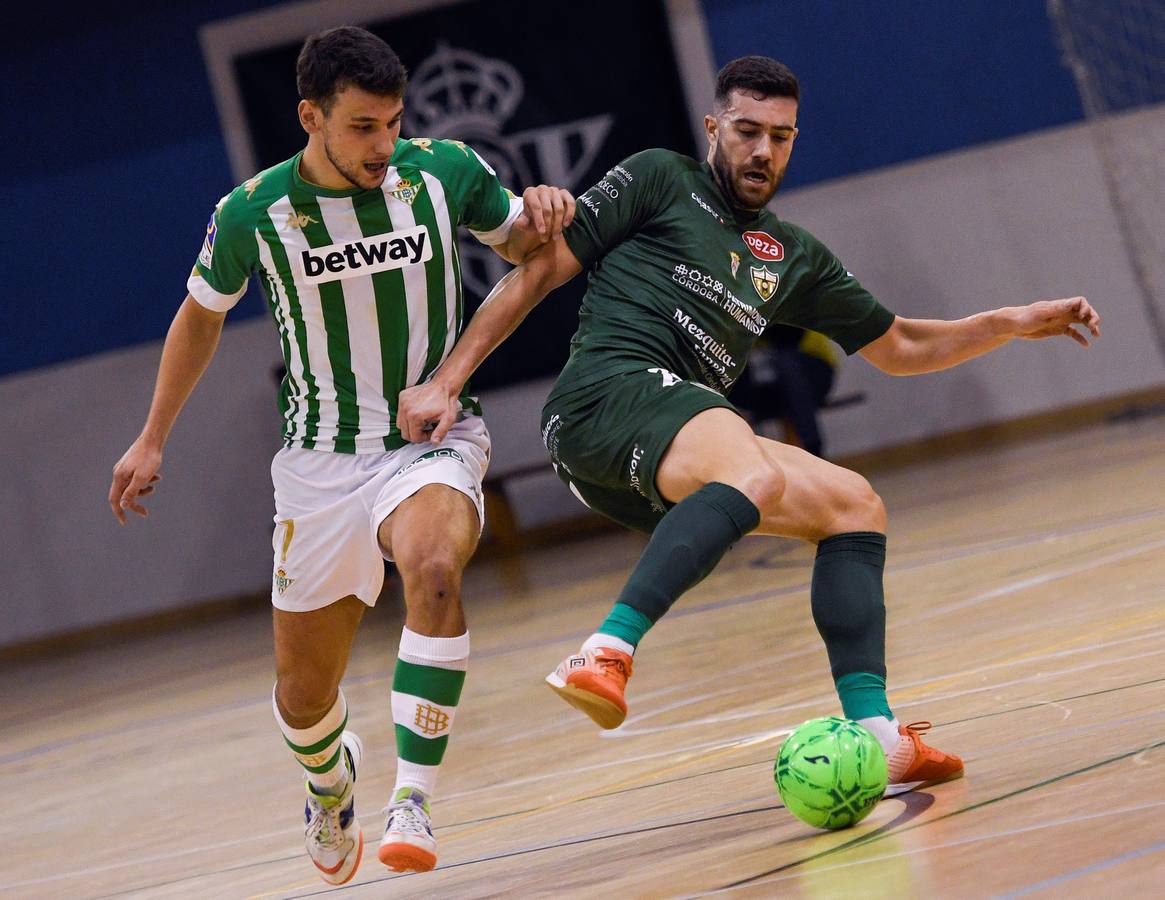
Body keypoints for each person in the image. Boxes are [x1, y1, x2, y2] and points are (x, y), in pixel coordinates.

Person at [395, 56, 1100, 799]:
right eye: (747, 131)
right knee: (751, 469)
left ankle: (879, 737)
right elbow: (536, 271)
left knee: (853, 503)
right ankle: (603, 654)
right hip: (602, 398)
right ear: (713, 129)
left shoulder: (792, 256)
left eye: (780, 136)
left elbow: (900, 347)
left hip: (670, 444)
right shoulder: (660, 177)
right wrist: (447, 380)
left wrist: (1004, 322)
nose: (763, 150)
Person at [107, 26, 574, 883]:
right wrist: (151, 436)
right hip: (318, 466)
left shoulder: (444, 172)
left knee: (432, 567)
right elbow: (201, 317)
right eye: (362, 126)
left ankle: (414, 802)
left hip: (428, 443)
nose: (383, 145)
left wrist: (539, 210)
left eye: (393, 122)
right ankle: (331, 785)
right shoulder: (253, 212)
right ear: (310, 117)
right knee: (302, 696)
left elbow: (522, 245)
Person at [730, 324, 838, 457]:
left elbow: (787, 336)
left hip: (811, 369)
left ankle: (812, 450)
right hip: (769, 379)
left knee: (786, 361)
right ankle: (749, 455)